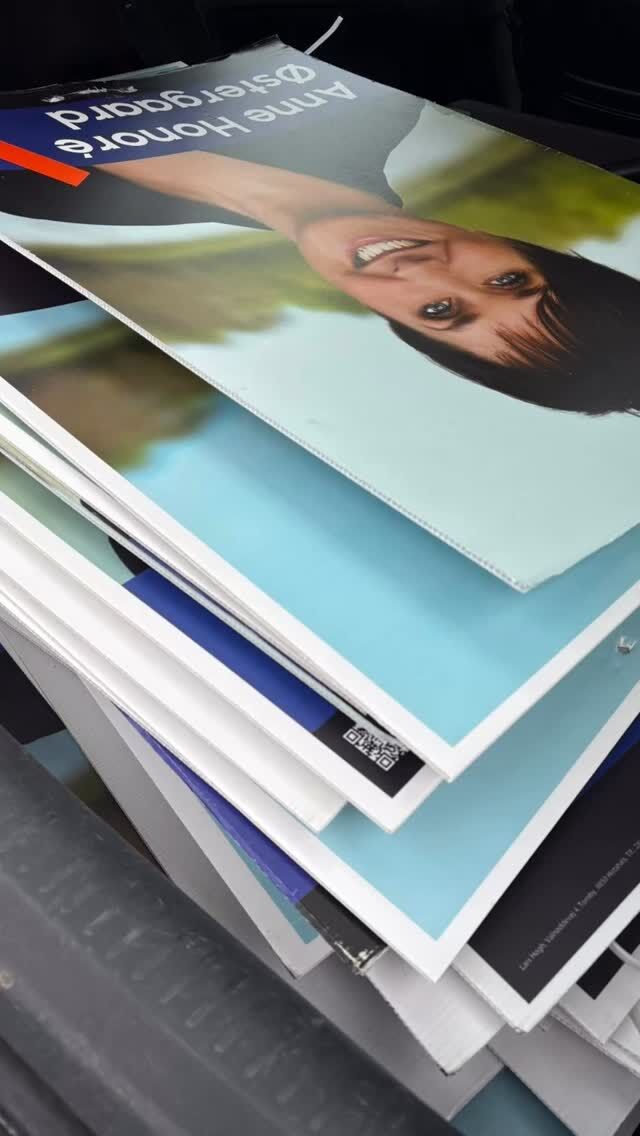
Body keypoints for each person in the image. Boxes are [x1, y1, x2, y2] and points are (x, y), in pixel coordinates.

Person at [1, 50, 639, 415]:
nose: (424, 270)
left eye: (440, 311)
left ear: (395, 324)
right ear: (521, 245)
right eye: (507, 279)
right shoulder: (380, 109)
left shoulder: (53, 227)